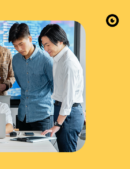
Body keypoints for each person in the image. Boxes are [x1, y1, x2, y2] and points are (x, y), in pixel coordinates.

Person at [39, 24, 85, 152]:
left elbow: (68, 99)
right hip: (62, 110)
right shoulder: (58, 58)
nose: (45, 48)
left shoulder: (68, 63)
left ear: (60, 41)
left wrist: (58, 124)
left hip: (68, 114)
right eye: (43, 45)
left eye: (48, 44)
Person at [8, 23, 54, 132]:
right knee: (23, 149)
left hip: (42, 116)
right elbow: (20, 83)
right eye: (15, 45)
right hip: (23, 115)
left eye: (21, 44)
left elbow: (55, 87)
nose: (18, 49)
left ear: (30, 38)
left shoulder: (46, 59)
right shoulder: (15, 60)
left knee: (43, 149)